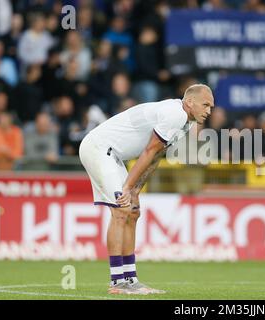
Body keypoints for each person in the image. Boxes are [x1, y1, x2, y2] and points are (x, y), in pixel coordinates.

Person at [79, 84, 214, 295]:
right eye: (205, 105)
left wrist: (135, 190)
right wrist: (127, 187)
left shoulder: (185, 123)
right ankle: (117, 282)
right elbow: (150, 150)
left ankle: (130, 279)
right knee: (121, 210)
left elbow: (156, 156)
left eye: (211, 107)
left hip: (112, 155)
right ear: (189, 102)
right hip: (98, 148)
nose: (209, 111)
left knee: (132, 211)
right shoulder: (176, 115)